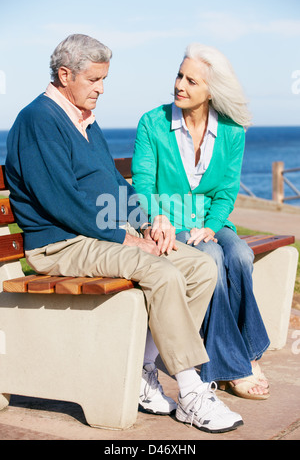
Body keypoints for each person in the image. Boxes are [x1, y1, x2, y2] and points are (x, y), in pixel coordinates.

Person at [5, 34, 244, 433]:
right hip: (60, 243)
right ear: (65, 75)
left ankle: (144, 371)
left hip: (96, 234)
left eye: (104, 80)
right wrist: (126, 238)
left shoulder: (83, 118)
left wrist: (150, 221)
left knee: (201, 268)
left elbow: (115, 185)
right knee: (162, 271)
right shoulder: (39, 121)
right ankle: (190, 389)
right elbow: (63, 202)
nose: (101, 89)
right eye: (94, 80)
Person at [132, 43, 270, 400]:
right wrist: (155, 217)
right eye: (180, 75)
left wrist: (212, 224)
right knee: (210, 257)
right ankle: (232, 366)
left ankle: (249, 351)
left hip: (210, 222)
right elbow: (144, 182)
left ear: (212, 90)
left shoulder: (232, 130)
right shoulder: (153, 123)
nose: (180, 85)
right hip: (168, 222)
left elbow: (226, 191)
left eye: (192, 81)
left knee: (238, 253)